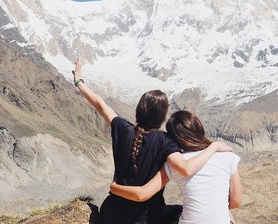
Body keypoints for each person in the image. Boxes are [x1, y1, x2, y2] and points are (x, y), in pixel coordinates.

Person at [72, 59, 233, 224]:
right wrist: (213, 147)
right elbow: (186, 169)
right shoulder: (166, 141)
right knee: (179, 211)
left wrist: (78, 81)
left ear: (139, 110)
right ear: (163, 117)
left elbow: (100, 104)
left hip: (111, 214)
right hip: (146, 219)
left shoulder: (122, 128)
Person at [110, 110, 242, 224]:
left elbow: (143, 194)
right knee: (228, 216)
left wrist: (114, 188)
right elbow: (236, 202)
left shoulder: (174, 164)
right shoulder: (228, 156)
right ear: (199, 128)